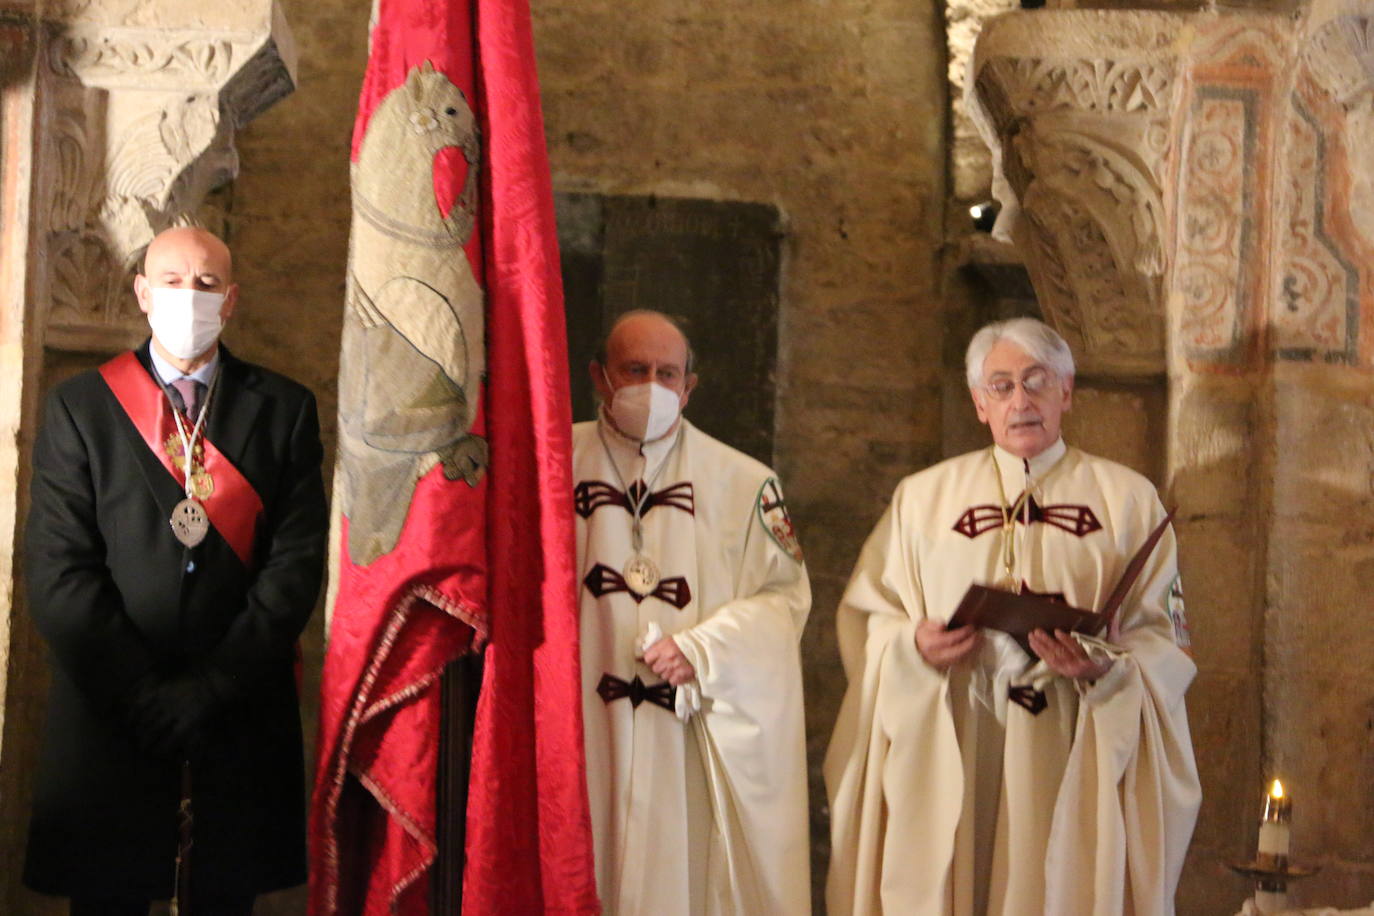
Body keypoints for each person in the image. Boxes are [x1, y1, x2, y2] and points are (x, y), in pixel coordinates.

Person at [824, 317, 1200, 916]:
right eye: (1001, 386)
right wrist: (912, 645)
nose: (1020, 401)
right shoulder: (923, 498)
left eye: (1036, 382)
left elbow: (1167, 638)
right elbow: (869, 616)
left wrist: (1107, 666)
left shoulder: (1128, 499)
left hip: (1070, 730)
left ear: (1066, 393)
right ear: (979, 403)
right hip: (958, 723)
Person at [23, 227, 328, 915]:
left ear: (232, 301)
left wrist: (214, 685)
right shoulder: (81, 409)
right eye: (170, 280)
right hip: (112, 719)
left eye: (206, 284)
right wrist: (142, 693)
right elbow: (60, 572)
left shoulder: (284, 409)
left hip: (236, 712)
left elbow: (295, 566)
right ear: (141, 293)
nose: (187, 297)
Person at [574, 310, 812, 915]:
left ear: (689, 386)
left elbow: (785, 600)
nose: (651, 386)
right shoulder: (549, 465)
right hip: (575, 719)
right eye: (635, 369)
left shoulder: (745, 483)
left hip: (683, 727)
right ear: (600, 377)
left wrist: (705, 650)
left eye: (667, 372)